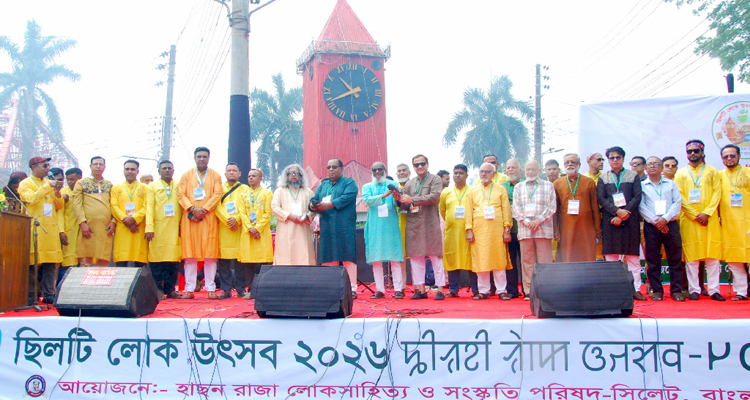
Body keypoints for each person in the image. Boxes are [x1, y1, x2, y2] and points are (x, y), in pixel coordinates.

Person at [675, 140, 724, 301]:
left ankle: (714, 290)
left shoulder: (712, 171)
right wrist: (695, 214)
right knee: (692, 257)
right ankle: (694, 289)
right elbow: (679, 196)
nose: (693, 154)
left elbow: (717, 194)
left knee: (712, 256)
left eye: (696, 151)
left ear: (702, 153)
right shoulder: (681, 173)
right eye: (690, 151)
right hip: (690, 220)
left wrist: (707, 213)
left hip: (709, 219)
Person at [598, 146, 644, 300]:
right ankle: (614, 290)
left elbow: (637, 197)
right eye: (612, 158)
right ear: (608, 160)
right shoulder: (603, 178)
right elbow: (601, 199)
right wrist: (617, 212)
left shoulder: (633, 176)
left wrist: (624, 213)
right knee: (611, 257)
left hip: (630, 220)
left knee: (633, 257)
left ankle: (636, 289)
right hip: (611, 221)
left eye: (618, 157)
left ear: (623, 159)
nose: (615, 160)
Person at [177, 147, 223, 299]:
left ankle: (211, 288)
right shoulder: (186, 175)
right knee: (190, 256)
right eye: (199, 156)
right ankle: (189, 289)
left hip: (208, 218)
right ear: (195, 158)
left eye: (204, 156)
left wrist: (204, 209)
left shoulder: (215, 175)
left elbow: (217, 194)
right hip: (190, 219)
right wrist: (192, 209)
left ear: (208, 158)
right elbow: (180, 194)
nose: (202, 159)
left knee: (210, 256)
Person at [638, 157, 686, 301]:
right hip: (651, 225)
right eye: (650, 164)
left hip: (670, 223)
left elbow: (677, 203)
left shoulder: (671, 184)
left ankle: (676, 290)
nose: (653, 166)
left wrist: (665, 219)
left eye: (656, 164)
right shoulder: (642, 186)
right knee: (653, 260)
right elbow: (641, 206)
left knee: (675, 258)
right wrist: (656, 221)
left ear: (661, 168)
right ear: (646, 168)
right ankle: (657, 290)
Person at [399, 154, 446, 300]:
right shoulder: (409, 184)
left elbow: (434, 197)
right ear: (413, 167)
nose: (420, 167)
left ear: (427, 164)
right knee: (416, 257)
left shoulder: (435, 179)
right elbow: (404, 206)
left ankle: (440, 289)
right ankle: (420, 289)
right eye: (416, 165)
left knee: (435, 256)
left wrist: (412, 200)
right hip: (414, 225)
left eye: (422, 164)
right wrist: (399, 200)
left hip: (430, 223)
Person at [18, 156, 65, 304]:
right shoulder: (25, 183)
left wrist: (57, 193)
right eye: (44, 166)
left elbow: (59, 206)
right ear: (34, 167)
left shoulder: (48, 183)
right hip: (35, 227)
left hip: (50, 228)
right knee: (32, 264)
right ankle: (32, 295)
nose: (47, 168)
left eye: (48, 165)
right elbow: (31, 199)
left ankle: (49, 294)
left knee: (50, 264)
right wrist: (48, 187)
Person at [310, 158, 359, 296]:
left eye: (334, 167)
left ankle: (352, 289)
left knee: (347, 255)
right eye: (329, 167)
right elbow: (315, 198)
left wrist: (329, 205)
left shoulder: (349, 182)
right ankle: (330, 287)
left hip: (344, 226)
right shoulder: (324, 185)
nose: (331, 169)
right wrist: (312, 205)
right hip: (327, 226)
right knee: (329, 255)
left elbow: (346, 198)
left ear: (342, 169)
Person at [465, 163, 513, 300]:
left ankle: (501, 290)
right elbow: (468, 211)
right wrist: (469, 229)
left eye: (487, 171)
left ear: (493, 173)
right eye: (481, 171)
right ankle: (483, 291)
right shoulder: (473, 190)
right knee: (481, 260)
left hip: (497, 231)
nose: (484, 174)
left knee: (499, 260)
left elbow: (506, 210)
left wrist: (507, 229)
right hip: (479, 231)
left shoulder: (500, 189)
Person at [512, 160, 556, 299]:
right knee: (527, 262)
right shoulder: (519, 187)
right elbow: (516, 208)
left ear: (539, 170)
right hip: (525, 230)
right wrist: (527, 222)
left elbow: (552, 207)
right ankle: (529, 291)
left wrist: (538, 220)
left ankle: (546, 290)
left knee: (545, 261)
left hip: (543, 228)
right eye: (528, 169)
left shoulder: (548, 185)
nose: (530, 172)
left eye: (533, 169)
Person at [362, 162, 405, 299]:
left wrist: (398, 197)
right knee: (376, 259)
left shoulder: (393, 185)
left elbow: (399, 204)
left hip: (390, 225)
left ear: (385, 170)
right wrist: (384, 196)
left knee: (395, 258)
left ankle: (398, 289)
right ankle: (380, 290)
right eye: (374, 170)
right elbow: (368, 200)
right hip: (375, 226)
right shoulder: (367, 187)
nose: (377, 172)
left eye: (380, 169)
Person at [554, 153, 601, 262]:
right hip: (566, 228)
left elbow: (595, 207)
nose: (570, 164)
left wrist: (598, 229)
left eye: (573, 162)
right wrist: (556, 230)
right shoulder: (557, 183)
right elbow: (555, 210)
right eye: (567, 162)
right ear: (564, 165)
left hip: (586, 228)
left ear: (579, 164)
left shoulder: (589, 182)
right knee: (568, 256)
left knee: (587, 255)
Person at [145, 160, 182, 299]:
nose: (167, 170)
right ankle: (158, 290)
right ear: (159, 171)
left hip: (174, 228)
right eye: (164, 168)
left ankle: (170, 290)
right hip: (158, 228)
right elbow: (149, 208)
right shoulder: (152, 186)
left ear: (173, 170)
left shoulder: (179, 185)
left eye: (169, 168)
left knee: (173, 261)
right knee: (157, 261)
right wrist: (149, 227)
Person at [440, 164, 478, 297]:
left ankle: (476, 289)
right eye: (455, 173)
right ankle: (453, 289)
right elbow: (443, 210)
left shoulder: (473, 190)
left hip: (469, 231)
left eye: (461, 173)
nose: (458, 175)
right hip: (452, 232)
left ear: (467, 175)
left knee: (471, 259)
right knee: (452, 258)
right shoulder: (446, 192)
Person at [72, 156, 116, 267]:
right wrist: (82, 223)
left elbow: (114, 205)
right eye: (95, 164)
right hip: (88, 227)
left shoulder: (109, 185)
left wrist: (113, 221)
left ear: (104, 167)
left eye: (100, 164)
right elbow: (77, 205)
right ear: (90, 166)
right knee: (86, 262)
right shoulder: (81, 183)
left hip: (105, 228)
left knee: (103, 262)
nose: (98, 167)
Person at [718, 144, 749, 301]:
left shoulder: (748, 173)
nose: (729, 159)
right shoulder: (718, 176)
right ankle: (741, 291)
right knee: (734, 259)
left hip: (748, 223)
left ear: (739, 156)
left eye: (732, 155)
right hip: (729, 225)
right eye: (726, 156)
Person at [237, 169, 274, 298]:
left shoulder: (267, 193)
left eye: (254, 176)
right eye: (249, 176)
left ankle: (263, 290)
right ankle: (251, 290)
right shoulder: (243, 194)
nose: (251, 178)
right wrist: (250, 228)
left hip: (262, 233)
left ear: (260, 178)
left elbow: (268, 213)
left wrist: (257, 228)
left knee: (263, 263)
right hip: (248, 233)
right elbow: (242, 213)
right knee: (249, 263)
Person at [215, 163, 248, 299]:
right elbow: (216, 206)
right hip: (224, 229)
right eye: (229, 170)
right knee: (224, 262)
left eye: (234, 170)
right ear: (225, 174)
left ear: (240, 174)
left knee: (240, 262)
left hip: (239, 228)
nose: (232, 173)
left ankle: (240, 289)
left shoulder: (245, 189)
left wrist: (237, 219)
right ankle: (226, 289)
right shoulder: (219, 189)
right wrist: (228, 220)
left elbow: (247, 207)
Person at [271, 164, 316, 265]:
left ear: (301, 176)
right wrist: (289, 216)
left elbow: (313, 208)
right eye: (290, 173)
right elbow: (274, 207)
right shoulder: (280, 191)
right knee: (286, 257)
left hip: (303, 228)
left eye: (296, 173)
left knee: (304, 255)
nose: (293, 175)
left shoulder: (308, 191)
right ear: (286, 176)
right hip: (286, 228)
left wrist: (307, 216)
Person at [110, 160, 148, 267]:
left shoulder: (145, 188)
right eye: (127, 169)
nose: (129, 171)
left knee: (140, 264)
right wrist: (125, 219)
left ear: (137, 171)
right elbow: (113, 206)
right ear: (123, 171)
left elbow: (147, 206)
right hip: (122, 228)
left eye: (132, 169)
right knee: (121, 264)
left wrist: (134, 219)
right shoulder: (116, 188)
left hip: (139, 228)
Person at [500, 159, 523, 298]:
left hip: (525, 228)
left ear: (519, 170)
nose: (510, 170)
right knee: (510, 261)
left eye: (513, 168)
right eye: (508, 168)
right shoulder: (501, 187)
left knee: (525, 261)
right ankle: (512, 290)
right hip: (508, 230)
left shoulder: (525, 185)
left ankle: (527, 290)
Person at [58, 167, 82, 282]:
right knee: (67, 264)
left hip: (83, 232)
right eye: (68, 180)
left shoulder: (85, 192)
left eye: (72, 179)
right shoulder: (63, 192)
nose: (70, 182)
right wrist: (61, 231)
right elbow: (59, 214)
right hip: (69, 232)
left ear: (80, 179)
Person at [395, 163, 411, 285]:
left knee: (416, 258)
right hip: (397, 226)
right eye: (399, 171)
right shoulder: (394, 188)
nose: (401, 173)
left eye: (404, 170)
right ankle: (402, 286)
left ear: (409, 172)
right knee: (400, 258)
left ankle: (418, 287)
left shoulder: (415, 186)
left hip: (413, 225)